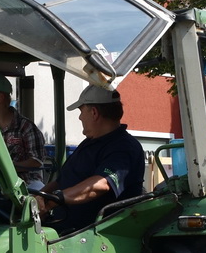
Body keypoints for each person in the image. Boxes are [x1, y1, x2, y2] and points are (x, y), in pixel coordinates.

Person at [41, 86, 144, 234]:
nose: (80, 117)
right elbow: (60, 181)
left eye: (81, 111)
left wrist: (55, 200)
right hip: (63, 230)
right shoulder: (89, 143)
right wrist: (37, 198)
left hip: (94, 236)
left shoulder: (124, 147)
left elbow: (101, 184)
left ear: (94, 112)